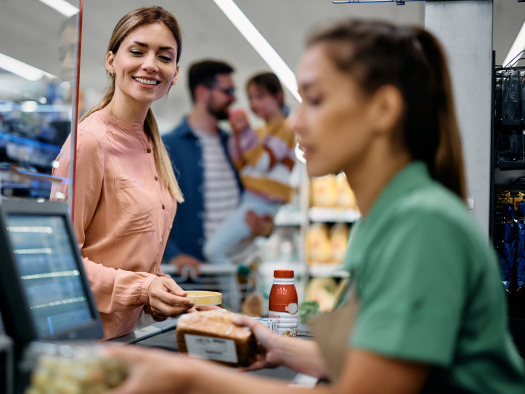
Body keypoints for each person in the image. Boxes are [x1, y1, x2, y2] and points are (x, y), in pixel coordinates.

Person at [104, 19, 525, 393]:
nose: (296, 122)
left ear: (383, 109)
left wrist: (187, 380)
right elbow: (373, 356)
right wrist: (276, 345)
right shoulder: (390, 217)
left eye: (315, 99)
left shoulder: (421, 224)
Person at [50, 6, 194, 341]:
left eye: (164, 56)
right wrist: (144, 288)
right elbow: (59, 262)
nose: (150, 64)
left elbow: (130, 257)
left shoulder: (150, 144)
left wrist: (165, 296)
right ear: (111, 61)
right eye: (137, 51)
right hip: (83, 343)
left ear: (174, 72)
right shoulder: (89, 142)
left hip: (126, 340)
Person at [162, 60, 274, 276]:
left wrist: (267, 227)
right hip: (198, 281)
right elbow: (149, 213)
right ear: (203, 93)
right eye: (228, 91)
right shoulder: (167, 147)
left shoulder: (234, 143)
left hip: (242, 273)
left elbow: (259, 194)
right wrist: (172, 254)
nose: (233, 99)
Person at [203, 72, 297, 267]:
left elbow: (263, 163)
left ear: (278, 96)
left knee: (214, 250)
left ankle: (229, 295)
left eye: (260, 96)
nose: (254, 103)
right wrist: (238, 135)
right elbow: (240, 163)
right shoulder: (259, 132)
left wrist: (244, 133)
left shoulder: (286, 129)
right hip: (252, 200)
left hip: (260, 202)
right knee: (225, 250)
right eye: (251, 98)